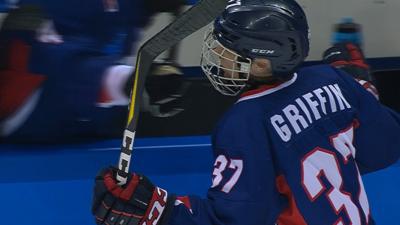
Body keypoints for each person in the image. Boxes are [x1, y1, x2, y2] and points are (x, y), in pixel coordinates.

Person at [91, 0, 400, 224]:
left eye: (228, 50)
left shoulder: (244, 123)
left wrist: (158, 210)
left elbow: (237, 220)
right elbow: (386, 148)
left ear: (263, 62)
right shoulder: (332, 79)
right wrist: (361, 94)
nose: (217, 56)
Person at [0, 0, 185, 143]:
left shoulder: (126, 11)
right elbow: (36, 65)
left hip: (90, 135)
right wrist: (123, 81)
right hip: (32, 129)